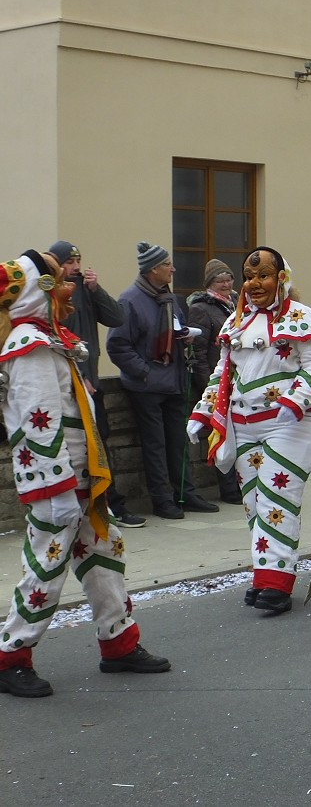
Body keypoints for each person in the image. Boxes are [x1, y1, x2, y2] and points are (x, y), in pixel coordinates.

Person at [0, 249, 170, 698]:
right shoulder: (30, 347)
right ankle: (11, 654)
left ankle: (119, 642)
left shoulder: (48, 341)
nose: (69, 290)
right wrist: (56, 487)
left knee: (103, 553)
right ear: (43, 291)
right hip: (57, 481)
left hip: (79, 476)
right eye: (60, 281)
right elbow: (40, 421)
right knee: (46, 563)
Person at [187, 246, 311, 615]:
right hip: (243, 426)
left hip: (292, 424)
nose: (254, 283)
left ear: (281, 278)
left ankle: (274, 582)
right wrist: (202, 413)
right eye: (249, 276)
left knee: (275, 498)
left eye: (263, 275)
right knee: (254, 503)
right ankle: (269, 572)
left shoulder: (302, 318)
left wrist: (295, 399)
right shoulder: (234, 322)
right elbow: (222, 375)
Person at [105, 241, 219, 520]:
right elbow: (118, 346)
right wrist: (145, 372)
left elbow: (176, 331)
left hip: (175, 381)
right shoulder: (129, 300)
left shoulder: (169, 299)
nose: (173, 268)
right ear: (153, 269)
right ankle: (163, 499)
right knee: (155, 445)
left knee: (178, 442)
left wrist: (186, 337)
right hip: (147, 386)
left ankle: (185, 492)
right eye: (167, 264)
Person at [48, 240, 146, 529]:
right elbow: (60, 339)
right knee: (75, 451)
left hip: (91, 385)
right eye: (69, 262)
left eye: (77, 262)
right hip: (69, 387)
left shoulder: (85, 290)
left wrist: (96, 290)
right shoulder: (50, 294)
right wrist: (81, 376)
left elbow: (116, 317)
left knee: (100, 445)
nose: (76, 267)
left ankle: (110, 505)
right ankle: (79, 508)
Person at [185, 259, 242, 504]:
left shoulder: (237, 305)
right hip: (216, 381)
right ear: (210, 284)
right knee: (221, 432)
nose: (226, 284)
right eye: (220, 280)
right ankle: (229, 490)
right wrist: (208, 385)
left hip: (237, 381)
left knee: (238, 432)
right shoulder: (201, 308)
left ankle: (240, 484)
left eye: (228, 278)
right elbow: (198, 352)